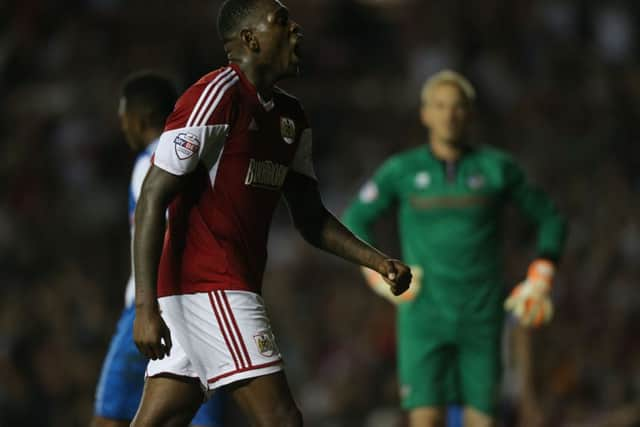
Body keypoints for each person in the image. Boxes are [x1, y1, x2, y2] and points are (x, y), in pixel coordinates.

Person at [130, 1, 413, 426]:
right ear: (249, 39)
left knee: (163, 417)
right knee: (281, 418)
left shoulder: (290, 118)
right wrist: (144, 307)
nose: (296, 28)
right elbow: (154, 195)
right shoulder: (216, 96)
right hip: (211, 285)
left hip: (213, 287)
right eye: (281, 21)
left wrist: (376, 260)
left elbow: (310, 218)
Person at [342, 70, 567, 427]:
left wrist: (541, 276)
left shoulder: (497, 168)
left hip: (481, 314)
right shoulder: (402, 170)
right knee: (425, 419)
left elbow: (550, 218)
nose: (449, 114)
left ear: (471, 113)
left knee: (483, 421)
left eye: (457, 106)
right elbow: (353, 218)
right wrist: (376, 272)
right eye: (440, 105)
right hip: (422, 315)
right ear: (425, 113)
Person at [92, 72, 226, 427]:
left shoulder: (151, 163)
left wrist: (144, 307)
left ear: (142, 118)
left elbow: (161, 230)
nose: (123, 130)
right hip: (201, 308)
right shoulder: (197, 159)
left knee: (110, 418)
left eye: (125, 120)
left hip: (154, 307)